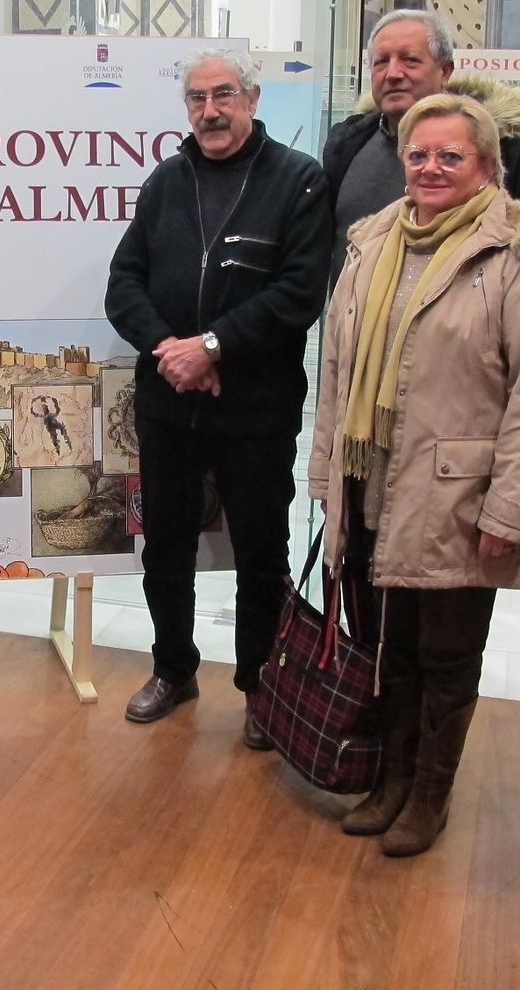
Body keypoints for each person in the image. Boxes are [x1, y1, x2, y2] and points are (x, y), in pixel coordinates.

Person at [307, 92, 520, 857]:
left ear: (487, 166)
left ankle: (429, 794)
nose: (430, 168)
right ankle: (388, 780)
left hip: (459, 494)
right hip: (371, 482)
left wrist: (512, 512)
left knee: (446, 654)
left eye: (450, 156)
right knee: (385, 644)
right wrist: (327, 473)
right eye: (419, 155)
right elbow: (336, 369)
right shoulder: (370, 242)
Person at [106, 47, 332, 741]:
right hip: (169, 405)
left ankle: (261, 687)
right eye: (198, 99)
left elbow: (299, 293)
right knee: (167, 547)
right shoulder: (166, 182)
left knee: (262, 554)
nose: (211, 110)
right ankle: (173, 667)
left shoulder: (299, 183)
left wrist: (213, 345)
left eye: (224, 95)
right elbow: (124, 284)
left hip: (255, 411)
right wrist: (172, 351)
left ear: (253, 99)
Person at [321, 9, 520, 287]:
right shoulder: (347, 145)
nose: (393, 73)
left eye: (410, 60)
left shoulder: (508, 153)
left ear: (445, 71)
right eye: (381, 62)